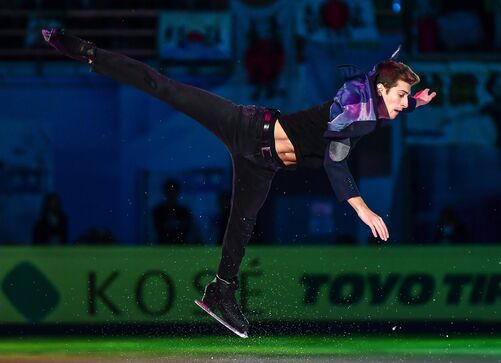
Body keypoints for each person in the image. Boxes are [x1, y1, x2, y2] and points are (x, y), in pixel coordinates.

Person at [41, 28, 436, 337]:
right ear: (381, 91)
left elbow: (380, 85)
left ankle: (220, 292)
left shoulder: (372, 102)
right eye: (401, 95)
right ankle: (85, 51)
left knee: (241, 227)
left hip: (262, 165)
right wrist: (361, 207)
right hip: (246, 126)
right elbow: (336, 162)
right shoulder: (354, 111)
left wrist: (415, 101)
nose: (404, 101)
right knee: (164, 87)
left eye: (406, 97)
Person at [153, 178, 201, 245]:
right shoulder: (158, 210)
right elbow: (159, 228)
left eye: (173, 191)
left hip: (181, 245)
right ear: (165, 192)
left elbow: (187, 227)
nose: (171, 193)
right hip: (163, 245)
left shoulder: (184, 211)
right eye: (169, 191)